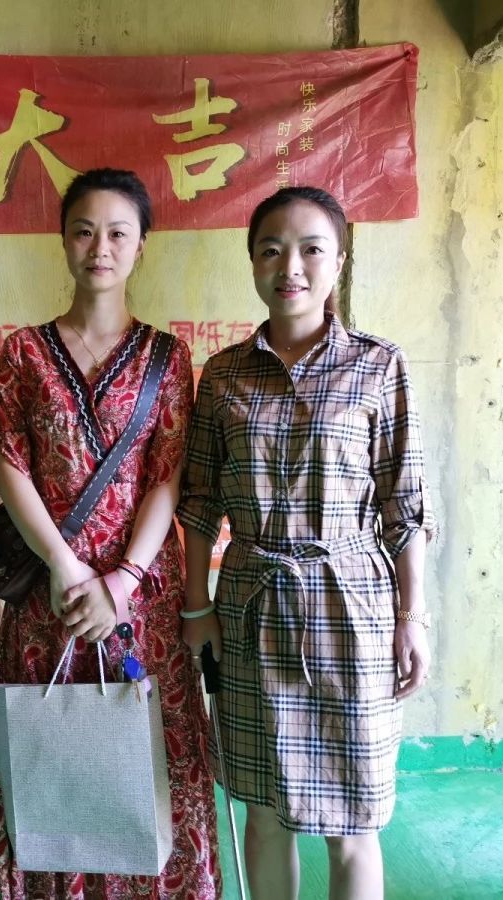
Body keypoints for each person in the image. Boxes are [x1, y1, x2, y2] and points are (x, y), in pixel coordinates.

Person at [178, 186, 437, 900]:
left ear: (339, 261)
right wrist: (196, 605)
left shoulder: (379, 366)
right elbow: (198, 503)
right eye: (271, 250)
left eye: (311, 249)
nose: (289, 266)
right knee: (264, 814)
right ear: (252, 262)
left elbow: (406, 505)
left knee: (355, 821)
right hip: (252, 610)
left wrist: (412, 618)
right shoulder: (223, 375)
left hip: (353, 612)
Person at [0, 168, 222, 899]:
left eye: (118, 233)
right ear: (64, 241)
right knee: (56, 758)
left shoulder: (167, 357)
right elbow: (8, 465)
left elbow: (168, 477)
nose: (101, 247)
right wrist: (64, 566)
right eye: (84, 231)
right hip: (48, 602)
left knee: (152, 758)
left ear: (141, 245)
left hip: (139, 605)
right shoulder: (24, 353)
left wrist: (121, 580)